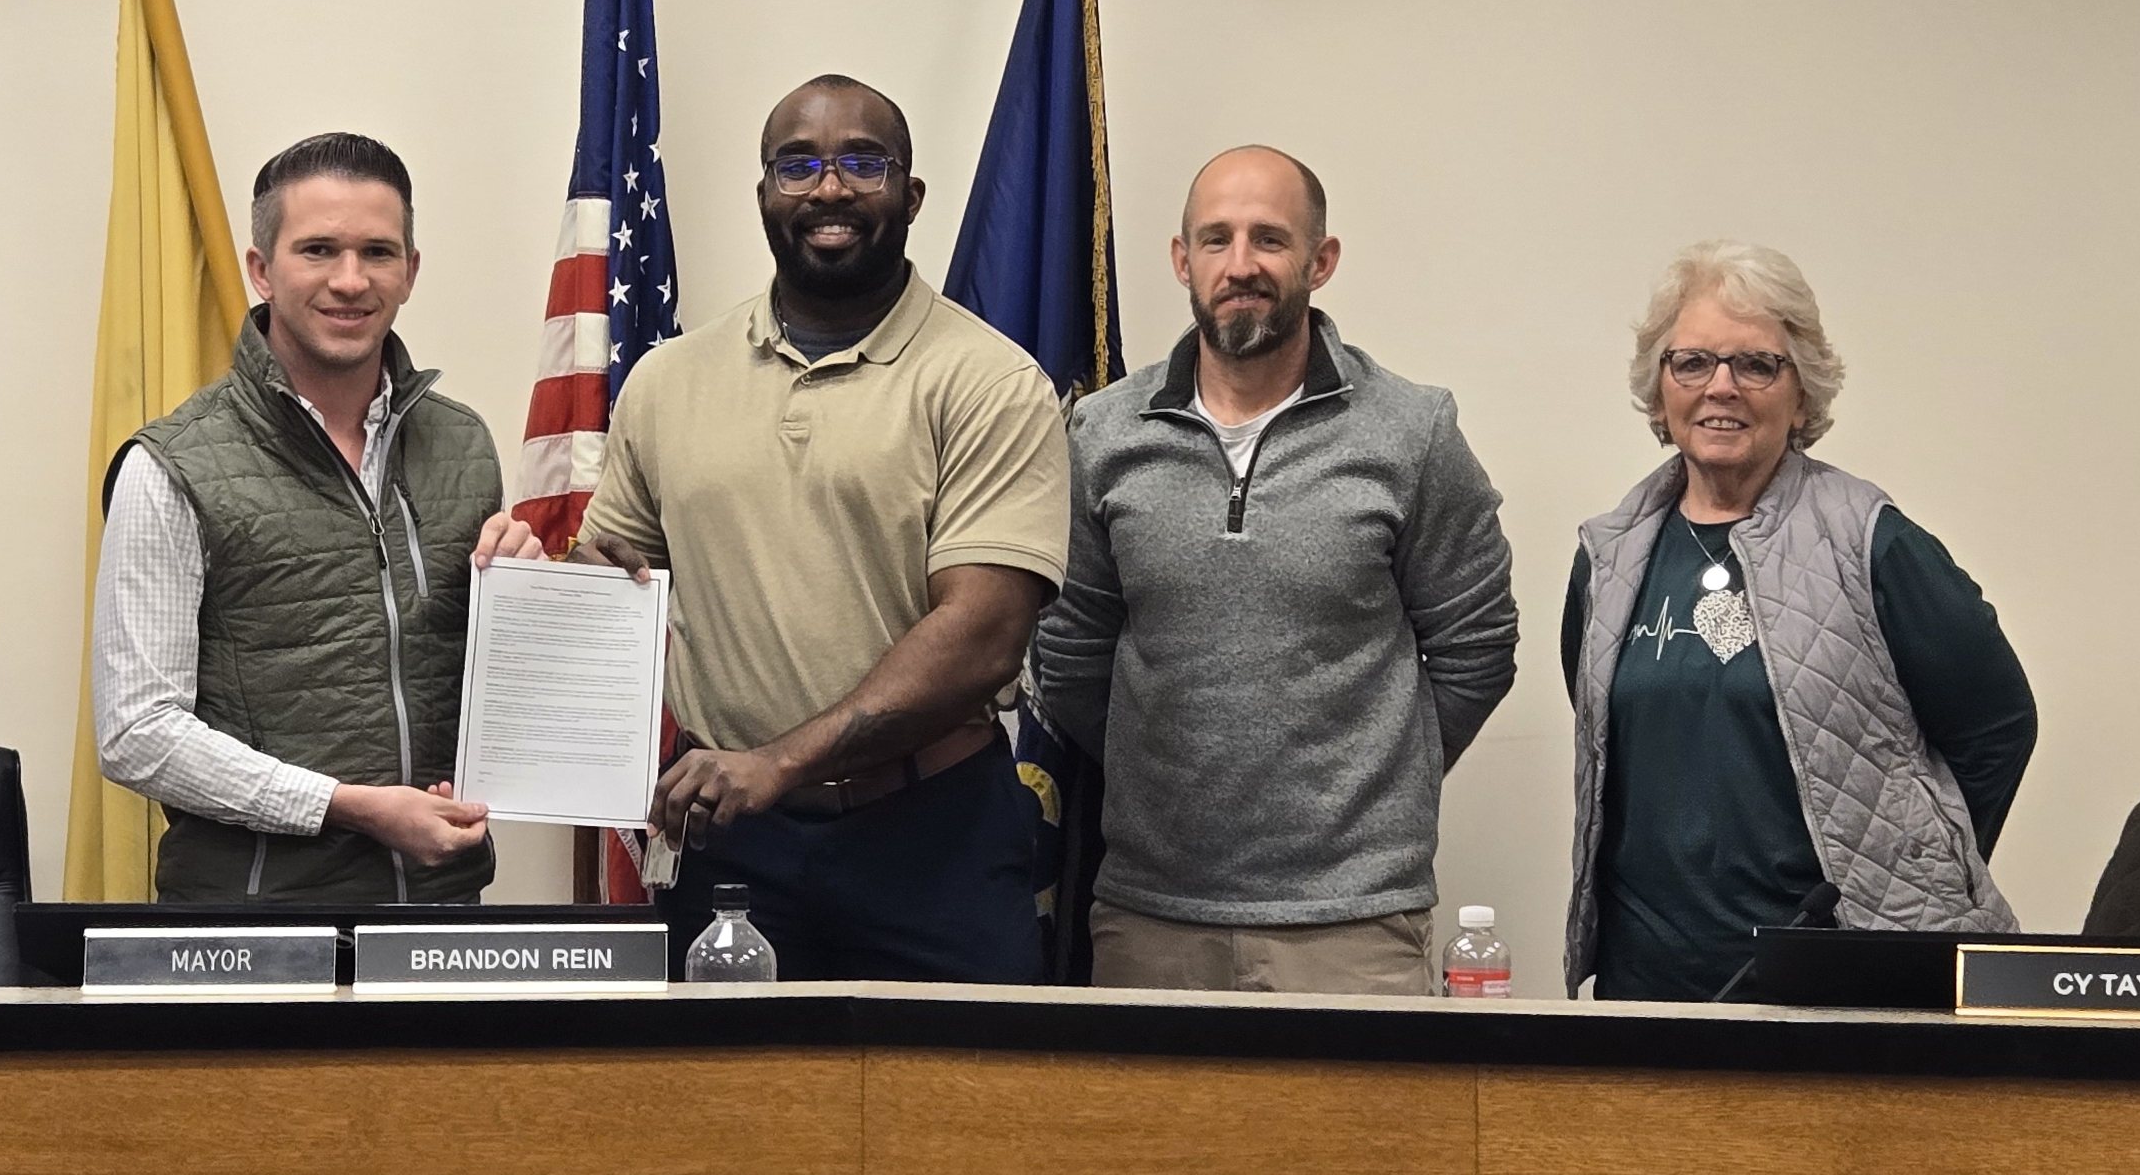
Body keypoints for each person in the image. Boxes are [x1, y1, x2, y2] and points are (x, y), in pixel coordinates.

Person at [475, 75, 1070, 983]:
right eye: (797, 166)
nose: (828, 189)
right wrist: (539, 582)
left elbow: (984, 636)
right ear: (763, 195)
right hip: (733, 851)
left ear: (910, 196)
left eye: (861, 162)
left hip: (933, 837)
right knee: (727, 1118)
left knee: (960, 1115)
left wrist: (779, 762)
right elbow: (614, 584)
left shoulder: (989, 382)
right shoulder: (670, 382)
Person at [1033, 145, 1519, 995]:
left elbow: (1478, 647)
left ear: (1319, 262)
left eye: (1270, 239)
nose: (1242, 265)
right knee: (1151, 1135)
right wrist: (1171, 769)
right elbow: (1071, 656)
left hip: (1355, 922)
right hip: (1154, 916)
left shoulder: (1412, 431)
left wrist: (1367, 776)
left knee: (1359, 1137)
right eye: (1216, 240)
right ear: (1182, 261)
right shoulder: (1103, 435)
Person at [1564, 240, 2036, 1000]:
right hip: (1649, 981)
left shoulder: (1872, 541)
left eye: (1756, 365)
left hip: (1830, 977)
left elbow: (1999, 726)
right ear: (1660, 391)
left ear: (1803, 394)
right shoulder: (1609, 556)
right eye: (1692, 363)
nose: (1723, 387)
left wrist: (1911, 873)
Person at [93, 132, 499, 903]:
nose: (350, 280)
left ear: (410, 272)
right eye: (318, 250)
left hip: (442, 912)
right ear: (261, 270)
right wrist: (350, 809)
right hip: (253, 928)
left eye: (378, 253)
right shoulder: (172, 465)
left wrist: (534, 595)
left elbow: (475, 683)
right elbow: (136, 734)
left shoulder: (464, 445)